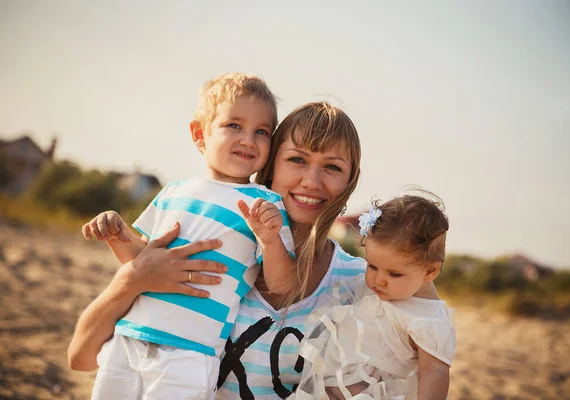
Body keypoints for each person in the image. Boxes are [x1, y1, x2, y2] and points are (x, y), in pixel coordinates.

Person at [69, 100, 382, 399]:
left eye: (333, 167)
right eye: (297, 159)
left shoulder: (359, 282)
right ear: (271, 165)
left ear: (350, 181)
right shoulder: (210, 245)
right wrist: (132, 279)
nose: (312, 181)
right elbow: (80, 357)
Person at [79, 72, 296, 399]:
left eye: (262, 131)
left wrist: (269, 238)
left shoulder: (265, 204)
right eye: (234, 125)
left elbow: (282, 285)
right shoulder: (173, 192)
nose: (249, 139)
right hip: (127, 339)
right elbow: (140, 261)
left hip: (190, 354)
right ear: (200, 134)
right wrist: (117, 234)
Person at [292, 194, 455, 400]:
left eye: (394, 273)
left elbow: (434, 373)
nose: (379, 280)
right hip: (330, 385)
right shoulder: (379, 289)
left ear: (430, 272)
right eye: (372, 266)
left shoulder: (428, 320)